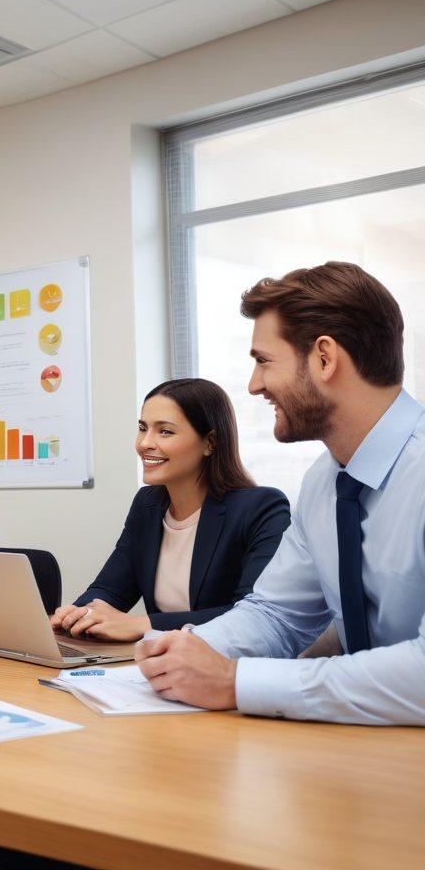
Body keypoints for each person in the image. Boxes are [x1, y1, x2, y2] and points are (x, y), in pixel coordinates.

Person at [137, 261, 425, 725]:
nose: (254, 385)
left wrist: (236, 681)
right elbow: (277, 614)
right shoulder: (325, 483)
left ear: (324, 358)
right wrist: (187, 649)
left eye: (264, 361)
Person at [51, 378, 290, 642]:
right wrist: (78, 614)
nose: (144, 443)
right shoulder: (147, 505)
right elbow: (110, 590)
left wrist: (142, 624)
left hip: (224, 661)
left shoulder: (261, 508)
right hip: (159, 660)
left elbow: (252, 616)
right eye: (143, 428)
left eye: (165, 431)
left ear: (209, 442)